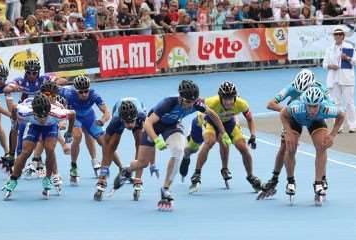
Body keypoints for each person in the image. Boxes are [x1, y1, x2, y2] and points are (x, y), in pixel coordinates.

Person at [111, 80, 224, 211]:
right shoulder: (168, 103)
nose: (190, 105)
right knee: (142, 163)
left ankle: (165, 189)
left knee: (178, 150)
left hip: (172, 126)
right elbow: (147, 123)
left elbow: (213, 115)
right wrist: (156, 140)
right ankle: (127, 171)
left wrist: (223, 132)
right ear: (181, 98)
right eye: (188, 102)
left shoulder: (197, 104)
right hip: (154, 126)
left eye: (192, 102)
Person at [257, 69, 331, 200]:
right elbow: (270, 104)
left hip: (314, 116)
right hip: (294, 116)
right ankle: (275, 179)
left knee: (322, 145)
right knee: (285, 146)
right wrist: (290, 111)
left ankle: (322, 179)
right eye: (299, 91)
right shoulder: (291, 87)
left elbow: (332, 107)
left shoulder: (321, 89)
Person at [180, 81, 262, 193]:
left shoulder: (241, 103)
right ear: (220, 97)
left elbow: (250, 119)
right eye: (225, 98)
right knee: (205, 143)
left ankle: (248, 175)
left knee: (242, 147)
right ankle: (195, 170)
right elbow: (196, 101)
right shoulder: (212, 101)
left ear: (235, 97)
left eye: (230, 98)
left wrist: (253, 135)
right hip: (208, 121)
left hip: (228, 123)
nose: (228, 102)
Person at [2, 94, 75, 200]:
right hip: (33, 125)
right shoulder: (25, 111)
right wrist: (14, 122)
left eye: (45, 116)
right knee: (26, 152)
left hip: (50, 126)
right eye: (39, 116)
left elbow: (73, 114)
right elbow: (13, 107)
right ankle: (13, 179)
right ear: (34, 112)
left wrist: (69, 132)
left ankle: (47, 178)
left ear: (49, 111)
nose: (42, 119)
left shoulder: (57, 113)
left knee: (50, 149)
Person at [280, 87, 345, 205]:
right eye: (309, 106)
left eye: (315, 106)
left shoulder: (327, 108)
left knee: (322, 146)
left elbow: (341, 116)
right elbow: (283, 114)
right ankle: (290, 181)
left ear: (321, 104)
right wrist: (288, 132)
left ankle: (318, 182)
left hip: (316, 122)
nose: (312, 110)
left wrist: (332, 135)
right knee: (291, 147)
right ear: (305, 103)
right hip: (296, 120)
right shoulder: (296, 107)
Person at [60, 75, 122, 185]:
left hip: (90, 118)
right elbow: (51, 88)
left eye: (86, 91)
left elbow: (107, 112)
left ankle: (122, 169)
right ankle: (74, 167)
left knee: (106, 143)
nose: (84, 94)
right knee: (78, 137)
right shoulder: (68, 93)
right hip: (75, 118)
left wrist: (102, 120)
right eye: (81, 92)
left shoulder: (94, 95)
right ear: (76, 91)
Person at [94, 97, 154, 201]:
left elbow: (149, 144)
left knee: (140, 143)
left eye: (131, 121)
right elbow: (105, 143)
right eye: (127, 122)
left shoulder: (142, 117)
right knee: (112, 145)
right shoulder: (116, 121)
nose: (130, 125)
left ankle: (138, 179)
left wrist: (152, 163)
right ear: (122, 120)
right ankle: (102, 179)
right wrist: (105, 168)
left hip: (139, 113)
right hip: (118, 110)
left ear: (135, 118)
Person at [1, 60, 50, 175]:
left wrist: (55, 82)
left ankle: (38, 160)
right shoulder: (20, 80)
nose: (31, 75)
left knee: (41, 134)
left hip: (38, 111)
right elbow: (6, 89)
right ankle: (13, 156)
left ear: (38, 73)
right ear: (25, 73)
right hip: (23, 111)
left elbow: (62, 79)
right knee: (16, 128)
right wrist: (14, 87)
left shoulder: (43, 79)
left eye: (34, 73)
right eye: (29, 73)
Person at [322, 25, 356, 133]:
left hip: (347, 78)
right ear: (334, 36)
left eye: (340, 34)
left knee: (349, 102)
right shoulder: (329, 49)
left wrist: (347, 58)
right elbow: (324, 64)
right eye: (336, 34)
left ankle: (353, 126)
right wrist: (330, 66)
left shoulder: (349, 47)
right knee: (335, 103)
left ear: (343, 36)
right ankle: (338, 126)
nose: (338, 36)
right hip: (334, 79)